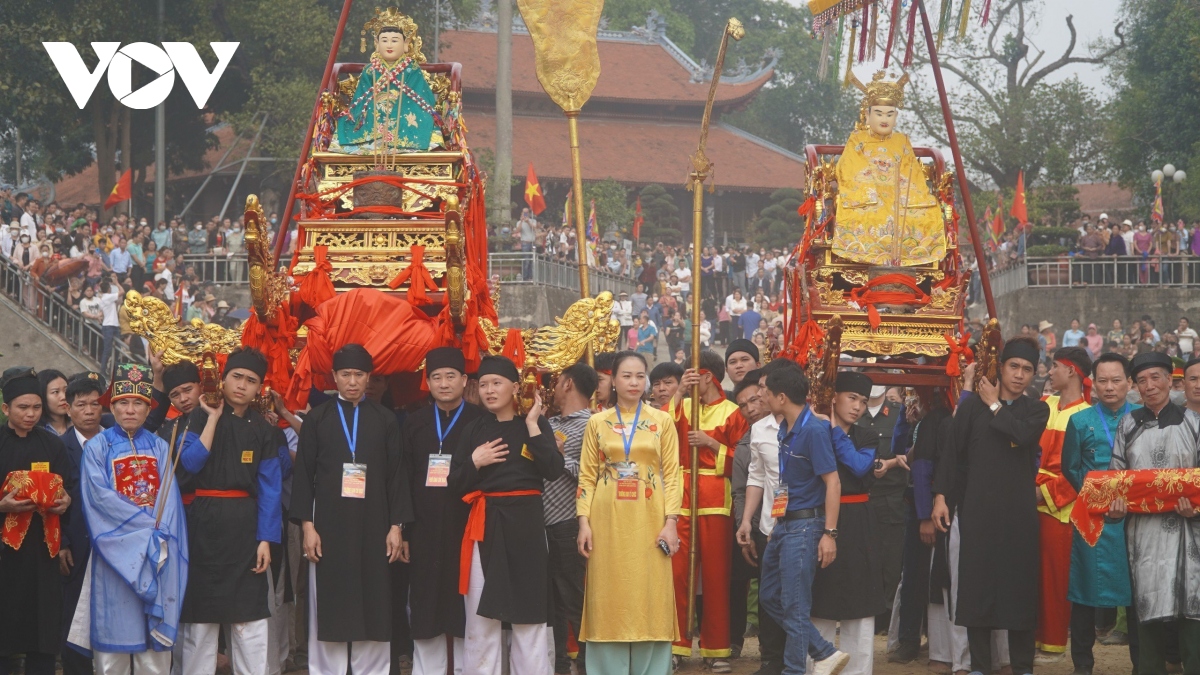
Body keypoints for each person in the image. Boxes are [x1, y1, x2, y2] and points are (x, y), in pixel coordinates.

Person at [932, 337, 1049, 675]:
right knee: (977, 587)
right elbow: (953, 455)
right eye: (1014, 366)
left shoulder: (1036, 409)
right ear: (1001, 367)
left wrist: (996, 405)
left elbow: (1023, 437)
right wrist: (942, 498)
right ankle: (979, 666)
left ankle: (1023, 666)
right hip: (978, 511)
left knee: (1020, 588)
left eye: (1027, 369)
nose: (1020, 375)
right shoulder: (970, 408)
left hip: (1019, 514)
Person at [292, 344, 410, 675]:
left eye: (360, 375)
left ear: (369, 377)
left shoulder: (385, 419)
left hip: (375, 526)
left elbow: (396, 475)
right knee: (328, 603)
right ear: (334, 377)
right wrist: (307, 527)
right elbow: (304, 476)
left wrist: (396, 526)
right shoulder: (317, 419)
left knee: (374, 601)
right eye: (346, 374)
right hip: (327, 528)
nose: (353, 381)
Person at [448, 355, 564, 675]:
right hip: (486, 523)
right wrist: (475, 461)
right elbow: (454, 484)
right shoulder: (472, 429)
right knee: (481, 616)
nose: (488, 390)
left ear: (514, 387)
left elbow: (554, 469)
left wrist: (531, 426)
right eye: (483, 384)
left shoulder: (535, 423)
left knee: (529, 615)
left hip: (526, 525)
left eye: (496, 383)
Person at [71, 364, 189, 675]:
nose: (130, 410)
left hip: (156, 553)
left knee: (153, 650)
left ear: (148, 406)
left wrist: (160, 537)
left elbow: (171, 502)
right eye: (123, 402)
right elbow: (98, 500)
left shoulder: (160, 446)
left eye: (138, 403)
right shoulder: (98, 447)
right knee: (114, 653)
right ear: (111, 406)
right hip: (114, 553)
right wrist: (147, 529)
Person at [178, 348, 285, 675]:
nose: (242, 385)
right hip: (203, 525)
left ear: (259, 388)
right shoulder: (195, 416)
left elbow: (270, 488)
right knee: (200, 622)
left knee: (248, 620)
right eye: (236, 376)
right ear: (222, 379)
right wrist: (212, 417)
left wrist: (266, 539)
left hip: (245, 528)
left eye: (251, 381)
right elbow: (190, 464)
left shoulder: (264, 430)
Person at [575, 351, 682, 674]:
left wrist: (671, 522)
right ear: (613, 380)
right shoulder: (597, 422)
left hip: (650, 519)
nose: (634, 382)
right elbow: (586, 476)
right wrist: (584, 523)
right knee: (608, 596)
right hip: (606, 521)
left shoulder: (661, 421)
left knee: (649, 595)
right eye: (626, 376)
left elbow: (674, 474)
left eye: (639, 376)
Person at [1107, 352, 1200, 675]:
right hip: (1143, 536)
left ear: (1170, 381)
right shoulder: (1128, 425)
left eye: (1156, 378)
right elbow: (1116, 478)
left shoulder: (1194, 423)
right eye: (1142, 381)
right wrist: (1115, 509)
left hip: (1190, 536)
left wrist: (1196, 509)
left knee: (1193, 611)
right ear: (1135, 386)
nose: (1149, 386)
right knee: (1147, 610)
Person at [758, 364, 850, 675]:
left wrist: (830, 533)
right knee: (770, 596)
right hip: (784, 525)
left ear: (781, 397)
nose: (762, 396)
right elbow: (786, 483)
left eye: (766, 392)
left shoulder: (812, 431)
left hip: (806, 527)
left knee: (795, 607)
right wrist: (776, 523)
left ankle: (795, 670)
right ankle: (823, 652)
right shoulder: (786, 428)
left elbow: (833, 482)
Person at [399, 348, 482, 674]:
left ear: (464, 380)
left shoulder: (479, 421)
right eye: (436, 377)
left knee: (466, 607)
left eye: (451, 376)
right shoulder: (414, 423)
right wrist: (403, 529)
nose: (444, 383)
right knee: (425, 603)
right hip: (423, 529)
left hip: (468, 529)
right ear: (427, 381)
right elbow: (402, 478)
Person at [667, 351, 746, 671]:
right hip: (682, 498)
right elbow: (661, 433)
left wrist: (712, 445)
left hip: (717, 500)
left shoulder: (732, 412)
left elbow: (742, 460)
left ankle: (716, 649)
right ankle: (676, 645)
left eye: (692, 376)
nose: (689, 382)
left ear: (708, 378)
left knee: (716, 576)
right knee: (677, 575)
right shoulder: (682, 407)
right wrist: (678, 393)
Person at [1060, 353, 1137, 675]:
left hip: (1137, 520)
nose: (1109, 387)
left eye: (1116, 380)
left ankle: (1142, 663)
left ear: (1129, 383)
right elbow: (1071, 467)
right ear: (1093, 383)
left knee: (1138, 594)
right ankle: (1082, 664)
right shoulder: (1080, 421)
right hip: (1092, 520)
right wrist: (1099, 497)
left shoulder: (1143, 417)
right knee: (1084, 593)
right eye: (1102, 380)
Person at [811, 372, 886, 675]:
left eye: (863, 401)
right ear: (834, 398)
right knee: (820, 599)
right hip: (820, 521)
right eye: (852, 398)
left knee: (861, 602)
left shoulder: (867, 436)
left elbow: (857, 466)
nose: (857, 407)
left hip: (859, 523)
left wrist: (833, 430)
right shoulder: (813, 431)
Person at [0, 371, 74, 675]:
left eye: (36, 407)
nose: (31, 414)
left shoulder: (52, 445)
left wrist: (66, 500)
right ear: (6, 409)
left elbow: (68, 488)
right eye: (22, 408)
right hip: (4, 555)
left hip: (42, 552)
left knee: (42, 631)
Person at [1033, 347, 1093, 663]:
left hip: (1059, 509)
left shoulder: (1087, 415)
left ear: (1070, 370)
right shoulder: (1045, 404)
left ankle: (1053, 643)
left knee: (1056, 577)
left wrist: (1044, 493)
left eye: (1054, 366)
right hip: (1030, 502)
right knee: (1031, 575)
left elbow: (1083, 470)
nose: (1049, 371)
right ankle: (1029, 638)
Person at [546, 362, 596, 674]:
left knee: (576, 599)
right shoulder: (547, 424)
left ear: (568, 384)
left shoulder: (594, 425)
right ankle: (557, 665)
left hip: (570, 523)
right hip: (540, 524)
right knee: (550, 602)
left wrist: (562, 457)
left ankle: (589, 665)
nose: (552, 388)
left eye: (556, 381)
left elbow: (596, 478)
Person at [855, 384, 905, 632]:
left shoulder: (899, 413)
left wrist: (891, 463)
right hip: (861, 498)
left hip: (891, 498)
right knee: (861, 557)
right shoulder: (853, 413)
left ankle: (885, 619)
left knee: (891, 560)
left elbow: (911, 452)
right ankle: (863, 613)